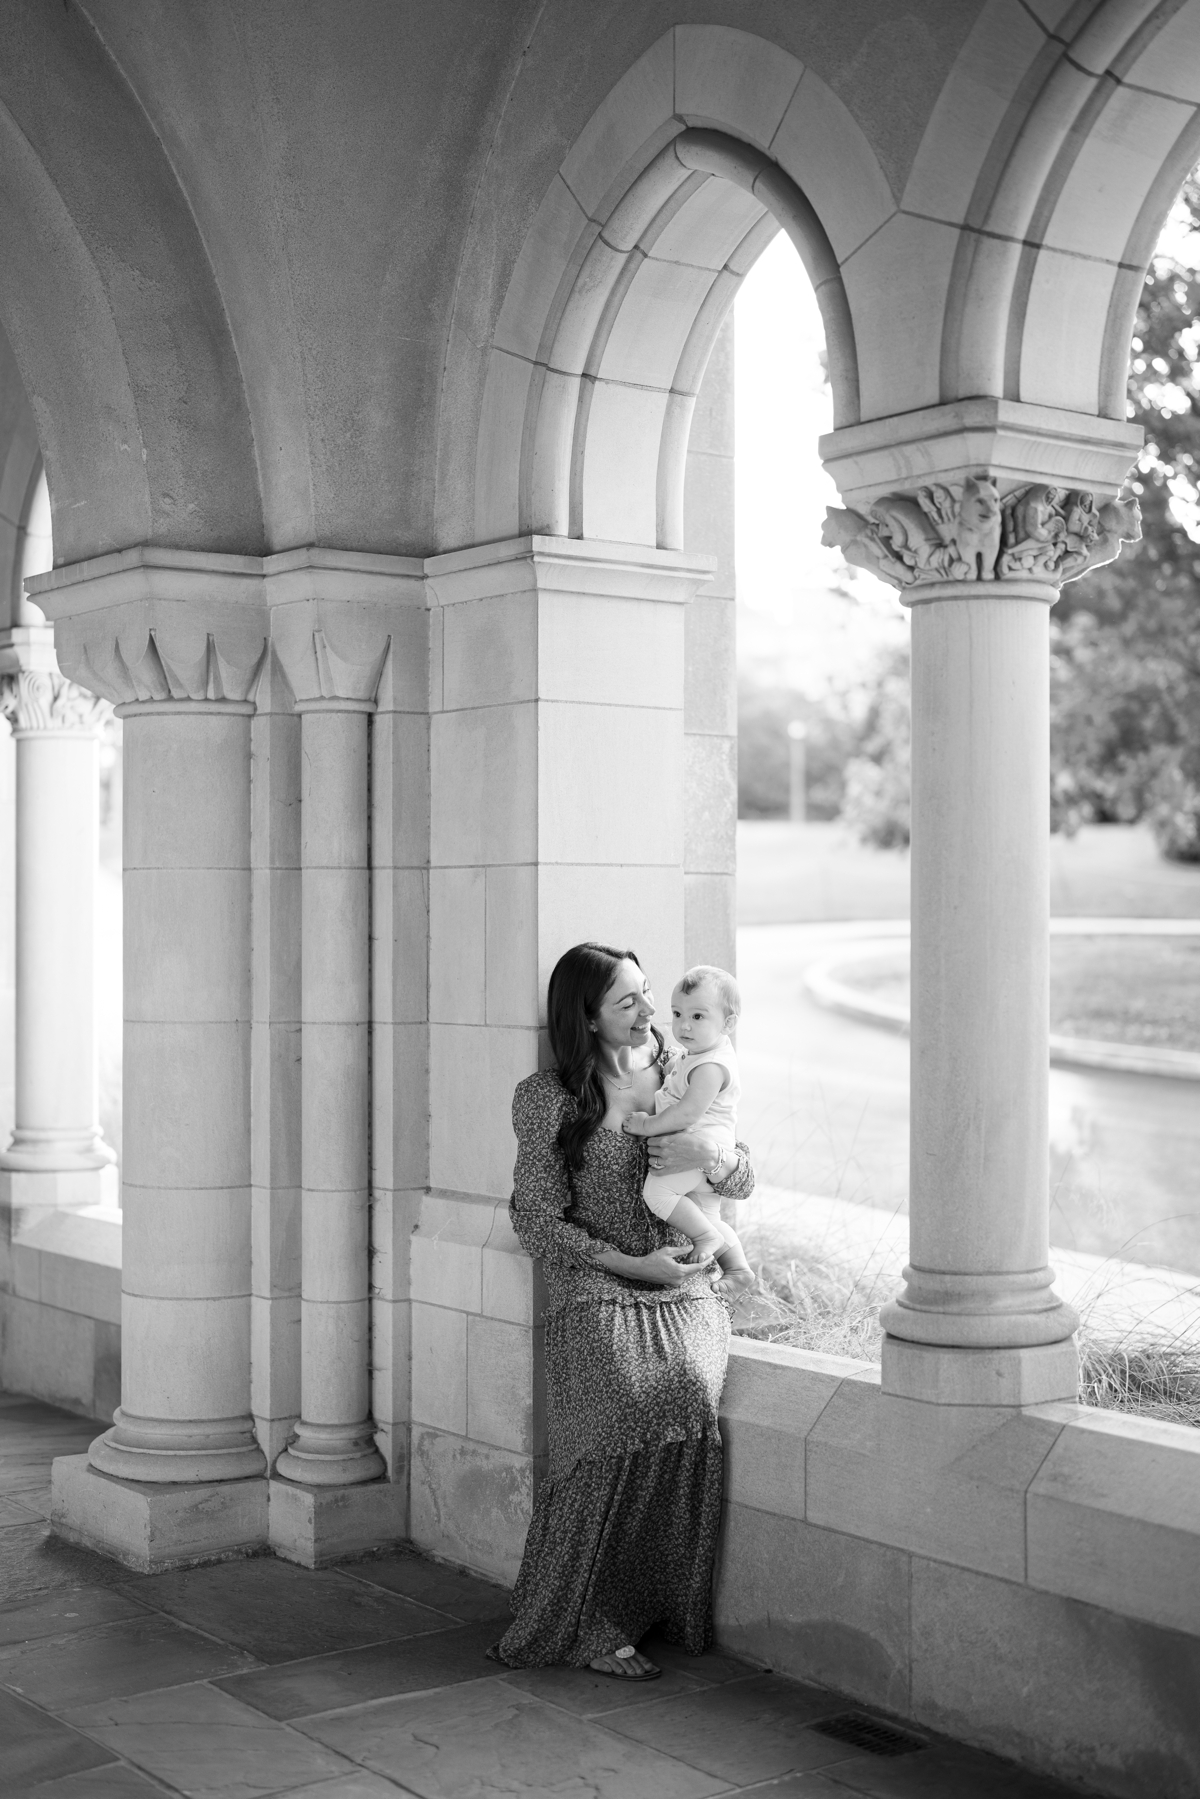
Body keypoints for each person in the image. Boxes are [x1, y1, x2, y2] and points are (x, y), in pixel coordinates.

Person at [490, 941, 755, 1679]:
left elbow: (739, 1176)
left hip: (684, 1281)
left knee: (683, 1394)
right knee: (618, 1404)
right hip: (599, 1279)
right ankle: (586, 1622)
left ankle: (650, 1601)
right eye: (628, 1001)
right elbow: (535, 1219)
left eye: (648, 994)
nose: (650, 1012)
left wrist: (726, 1161)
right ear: (587, 1016)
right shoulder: (547, 1096)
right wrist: (630, 1263)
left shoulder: (685, 1071)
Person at [623, 964, 754, 1297]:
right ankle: (737, 1268)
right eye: (678, 1013)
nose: (683, 1025)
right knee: (707, 1213)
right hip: (702, 1160)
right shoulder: (695, 1055)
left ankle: (705, 1239)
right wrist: (673, 1071)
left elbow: (687, 1112)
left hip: (701, 1151)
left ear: (728, 1024)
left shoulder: (711, 1066)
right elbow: (682, 1079)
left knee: (657, 1194)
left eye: (698, 1017)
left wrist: (647, 1125)